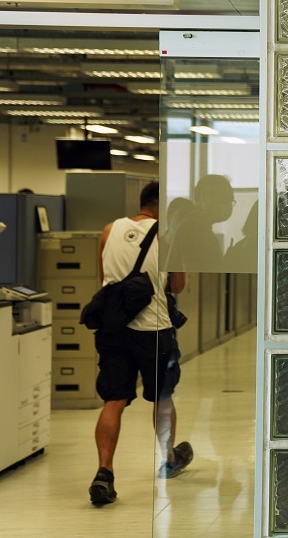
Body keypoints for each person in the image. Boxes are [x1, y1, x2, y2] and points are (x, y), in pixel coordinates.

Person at [88, 181, 191, 506]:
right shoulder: (169, 234)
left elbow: (104, 278)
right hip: (154, 330)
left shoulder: (109, 229)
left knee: (114, 400)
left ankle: (104, 471)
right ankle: (169, 458)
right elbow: (178, 285)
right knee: (161, 397)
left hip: (114, 329)